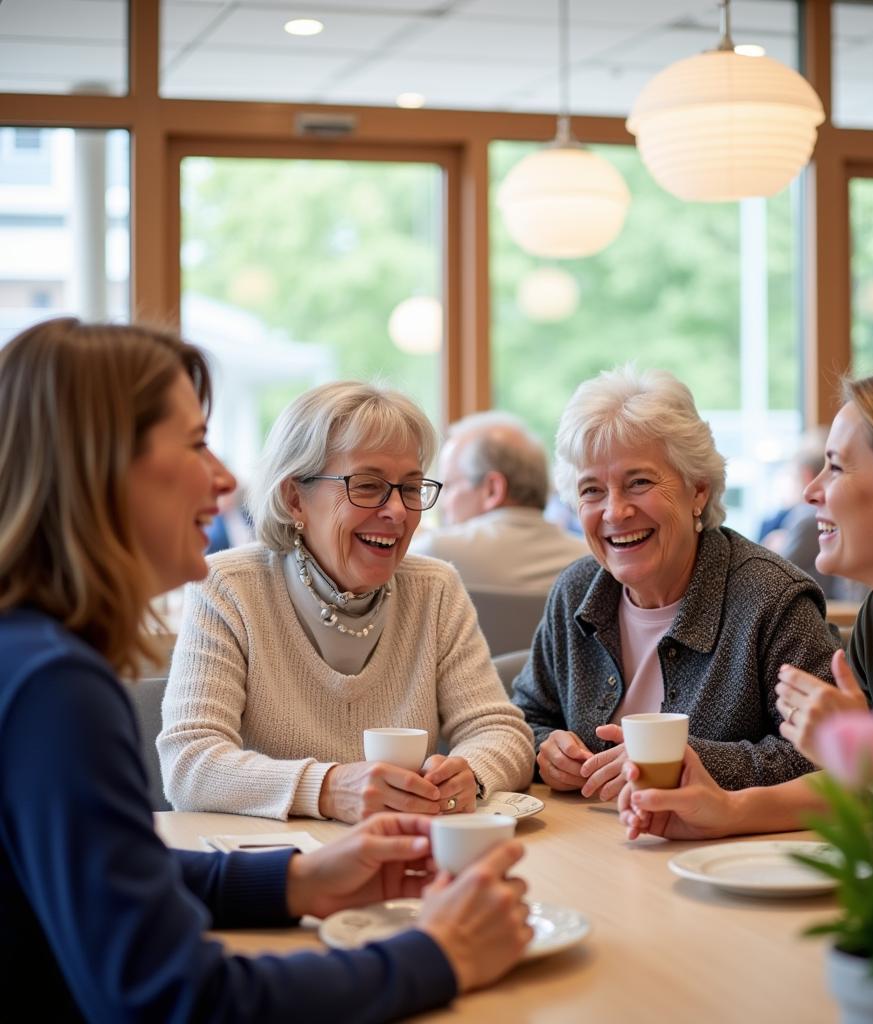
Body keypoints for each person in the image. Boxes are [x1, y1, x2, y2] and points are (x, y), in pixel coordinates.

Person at [0, 318, 532, 1021]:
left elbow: (115, 873)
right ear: (98, 467)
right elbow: (179, 1000)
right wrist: (440, 954)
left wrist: (298, 881)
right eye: (196, 444)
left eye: (410, 487)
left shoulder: (31, 658)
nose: (224, 479)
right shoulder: (54, 687)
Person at [619, 366, 873, 840]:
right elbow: (857, 789)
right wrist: (725, 809)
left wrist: (872, 756)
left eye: (836, 467)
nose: (811, 493)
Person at [159, 382, 535, 823]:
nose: (397, 510)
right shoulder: (228, 587)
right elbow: (190, 763)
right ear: (293, 498)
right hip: (281, 868)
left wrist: (469, 774)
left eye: (410, 488)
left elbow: (501, 732)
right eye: (369, 485)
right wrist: (330, 789)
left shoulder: (435, 589)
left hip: (409, 856)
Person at [511, 365, 839, 801]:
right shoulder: (576, 591)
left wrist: (675, 761)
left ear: (698, 490)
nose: (614, 512)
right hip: (593, 848)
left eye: (639, 482)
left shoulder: (772, 600)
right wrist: (544, 749)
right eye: (592, 490)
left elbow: (825, 758)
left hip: (726, 858)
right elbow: (526, 717)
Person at [411, 410, 588, 592]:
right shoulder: (590, 561)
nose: (442, 502)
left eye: (448, 486)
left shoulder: (434, 553)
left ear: (493, 490)